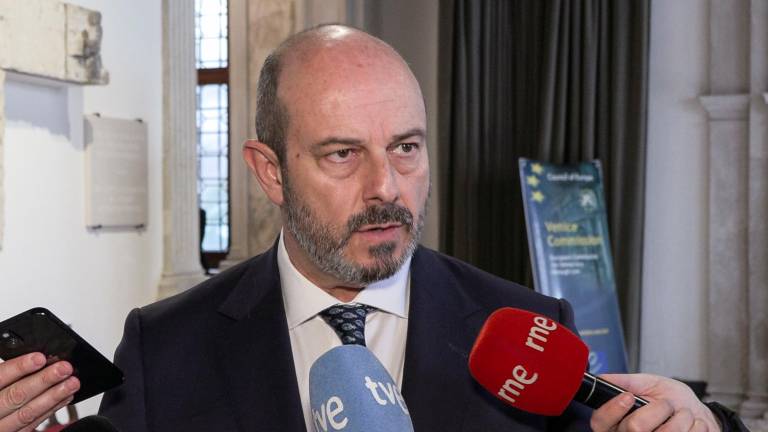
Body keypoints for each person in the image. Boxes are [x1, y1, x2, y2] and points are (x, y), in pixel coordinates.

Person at [0, 25, 745, 432]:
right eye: (342, 153)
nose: (387, 187)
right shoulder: (167, 347)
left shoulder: (524, 327)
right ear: (269, 170)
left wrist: (701, 426)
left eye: (407, 148)